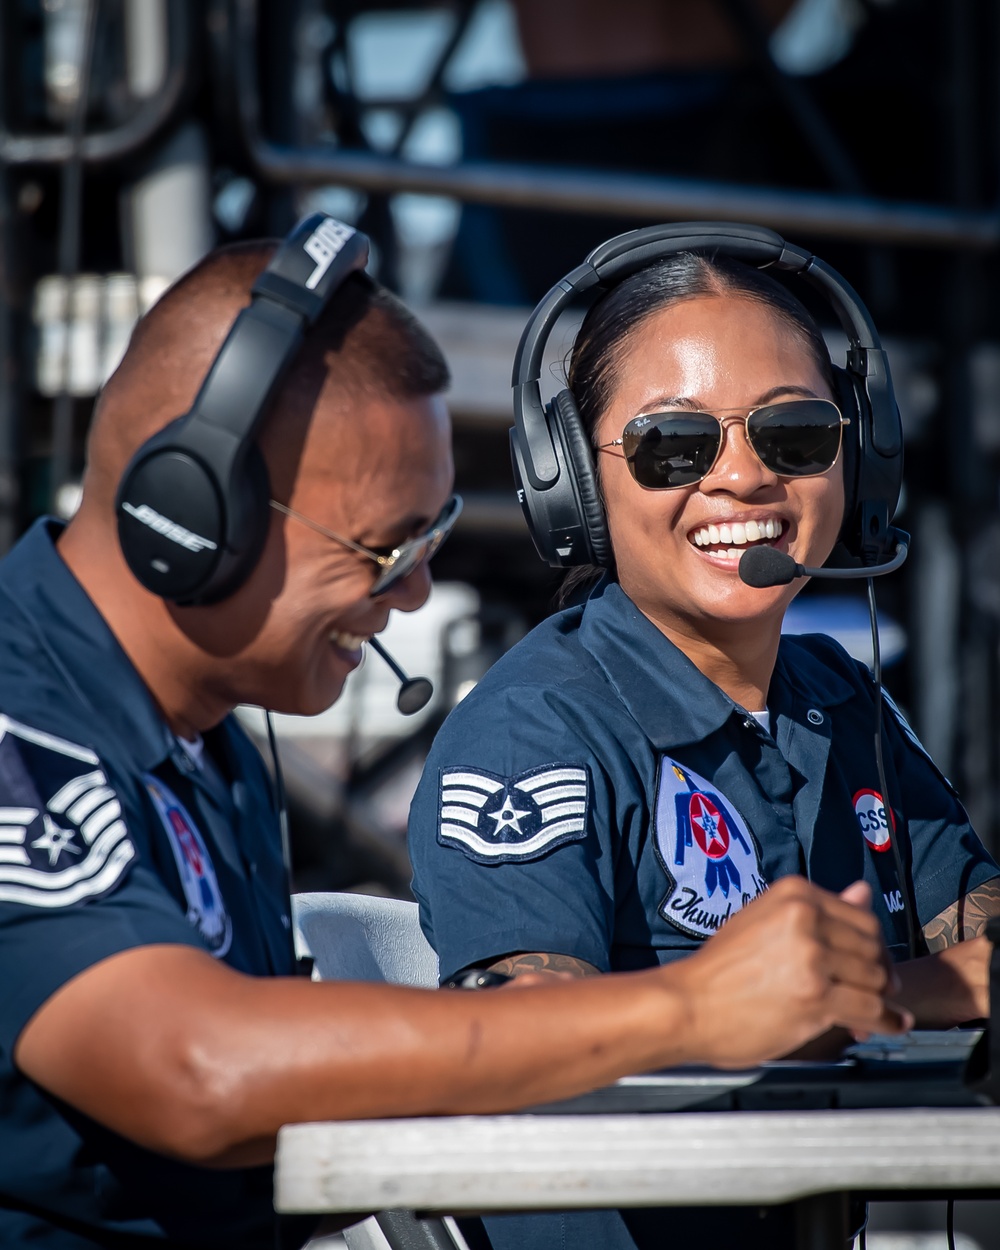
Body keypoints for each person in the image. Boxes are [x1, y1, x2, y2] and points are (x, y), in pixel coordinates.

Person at [0, 220, 906, 1249]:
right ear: (192, 515)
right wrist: (692, 1009)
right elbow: (201, 1075)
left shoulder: (203, 748)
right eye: (383, 548)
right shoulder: (16, 734)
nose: (418, 588)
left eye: (427, 540)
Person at [408, 232, 1000, 1250]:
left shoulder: (842, 703)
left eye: (796, 436)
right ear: (571, 479)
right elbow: (518, 1037)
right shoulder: (535, 728)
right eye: (674, 445)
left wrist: (866, 991)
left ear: (855, 463)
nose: (744, 479)